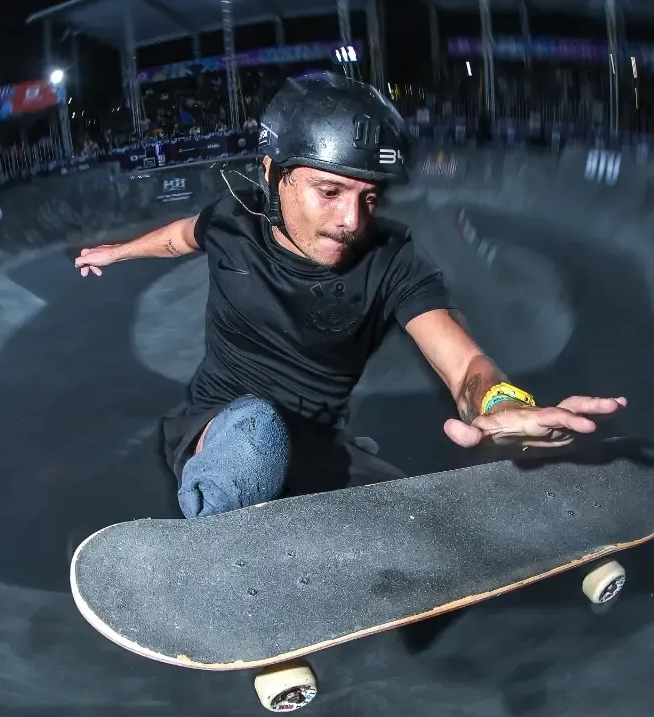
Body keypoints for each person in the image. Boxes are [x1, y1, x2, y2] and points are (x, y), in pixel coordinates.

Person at [75, 72, 625, 519]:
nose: (350, 221)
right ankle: (217, 552)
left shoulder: (393, 262)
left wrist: (502, 403)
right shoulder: (230, 224)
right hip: (218, 426)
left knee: (421, 517)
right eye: (329, 191)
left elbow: (464, 365)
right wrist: (117, 252)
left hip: (319, 442)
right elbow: (177, 237)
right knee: (255, 436)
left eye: (369, 197)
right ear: (273, 174)